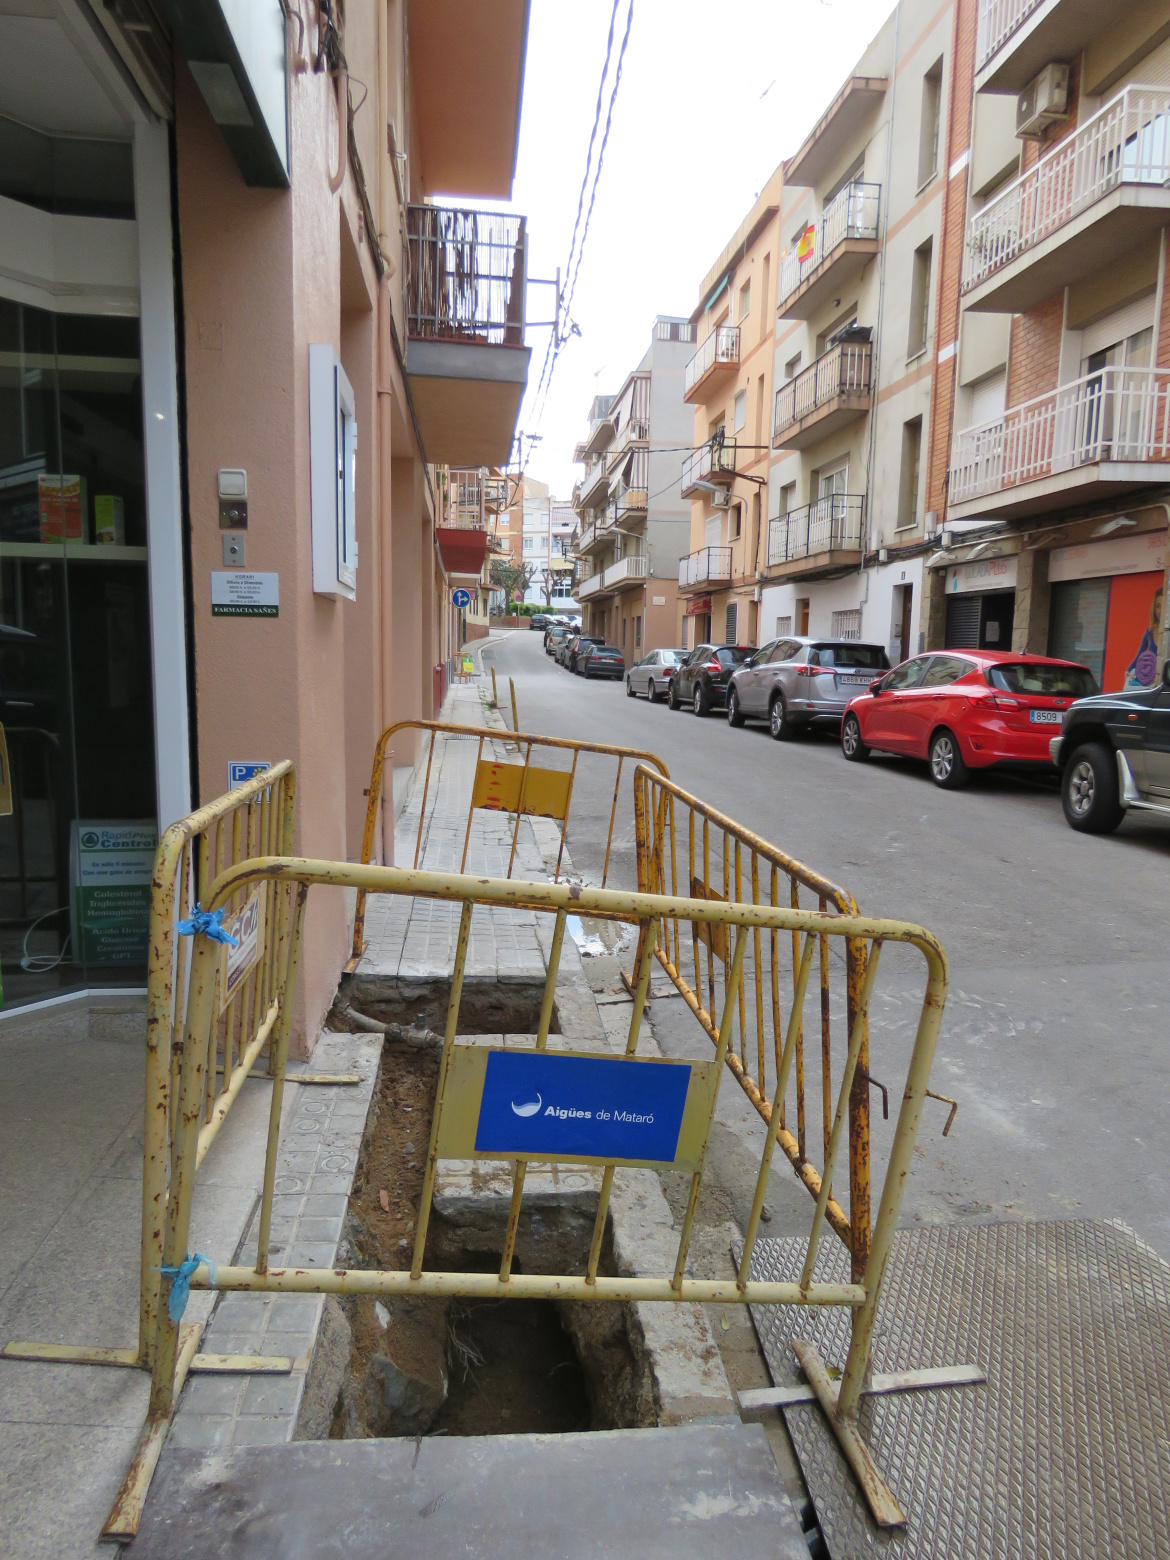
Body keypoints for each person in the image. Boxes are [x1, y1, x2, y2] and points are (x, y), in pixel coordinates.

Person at [1123, 584, 1163, 691]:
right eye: (1157, 606)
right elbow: (1139, 657)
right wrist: (1128, 671)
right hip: (1151, 686)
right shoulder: (1149, 632)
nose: (1160, 610)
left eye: (1163, 606)